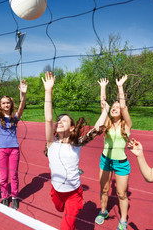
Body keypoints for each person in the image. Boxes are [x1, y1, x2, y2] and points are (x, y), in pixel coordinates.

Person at [42, 72, 109, 230]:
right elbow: (48, 118)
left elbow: (97, 129)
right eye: (59, 120)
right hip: (56, 191)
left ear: (72, 127)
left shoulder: (77, 143)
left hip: (74, 193)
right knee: (60, 209)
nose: (59, 121)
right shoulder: (51, 143)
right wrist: (48, 91)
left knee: (67, 225)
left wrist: (106, 110)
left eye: (64, 120)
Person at [95, 75, 132, 230]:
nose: (115, 108)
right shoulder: (107, 123)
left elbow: (123, 106)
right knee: (104, 189)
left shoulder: (127, 125)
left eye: (118, 107)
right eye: (113, 107)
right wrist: (102, 87)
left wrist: (120, 86)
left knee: (121, 194)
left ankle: (123, 220)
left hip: (121, 163)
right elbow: (104, 106)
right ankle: (103, 211)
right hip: (105, 160)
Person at [0, 77, 27, 210]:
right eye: (4, 103)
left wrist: (23, 94)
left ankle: (15, 197)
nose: (6, 105)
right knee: (3, 176)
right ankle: (5, 197)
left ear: (11, 104)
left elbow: (22, 106)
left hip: (14, 149)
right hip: (1, 149)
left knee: (14, 175)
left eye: (8, 103)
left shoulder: (15, 117)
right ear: (1, 105)